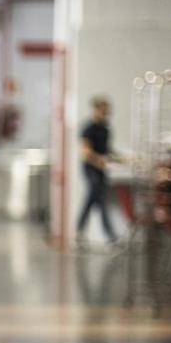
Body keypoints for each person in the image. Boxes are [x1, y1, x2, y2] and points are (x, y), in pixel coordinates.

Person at [76, 96, 119, 246]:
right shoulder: (88, 129)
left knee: (93, 200)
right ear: (96, 110)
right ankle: (110, 236)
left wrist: (119, 158)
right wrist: (98, 161)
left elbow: (107, 150)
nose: (106, 114)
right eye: (103, 111)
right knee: (99, 199)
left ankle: (80, 231)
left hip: (102, 168)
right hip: (90, 168)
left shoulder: (106, 129)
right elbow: (86, 152)